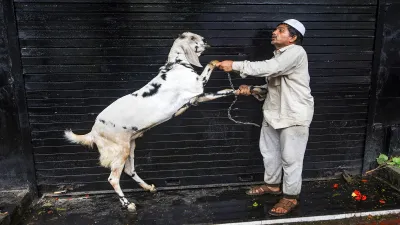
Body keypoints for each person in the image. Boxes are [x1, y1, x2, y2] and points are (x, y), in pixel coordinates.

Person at [216, 19, 314, 217]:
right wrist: (252, 90)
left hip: (293, 114)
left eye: (281, 30)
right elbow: (272, 88)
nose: (274, 32)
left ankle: (290, 196)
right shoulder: (278, 57)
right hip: (273, 112)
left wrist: (234, 65)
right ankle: (272, 186)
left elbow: (269, 68)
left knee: (291, 159)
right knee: (269, 153)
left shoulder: (295, 52)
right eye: (276, 29)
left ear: (293, 38)